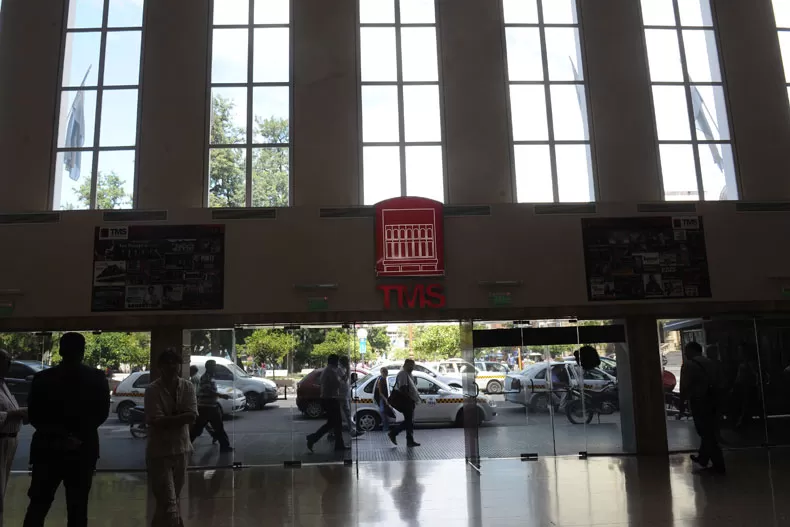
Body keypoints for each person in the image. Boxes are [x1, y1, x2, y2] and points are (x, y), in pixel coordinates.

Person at [23, 332, 110, 527]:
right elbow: (101, 413)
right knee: (78, 509)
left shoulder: (42, 378)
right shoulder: (96, 378)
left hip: (47, 449)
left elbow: (35, 415)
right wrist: (77, 436)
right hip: (82, 450)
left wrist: (59, 436)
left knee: (38, 506)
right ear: (83, 351)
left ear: (60, 351)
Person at [145, 348, 198, 527]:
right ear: (159, 366)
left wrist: (169, 420)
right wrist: (180, 417)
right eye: (166, 362)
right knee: (169, 502)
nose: (171, 366)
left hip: (182, 449)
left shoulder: (187, 386)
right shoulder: (152, 390)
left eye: (174, 362)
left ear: (179, 365)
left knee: (169, 501)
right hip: (159, 452)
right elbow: (156, 420)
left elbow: (192, 416)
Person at [680, 341, 725, 474]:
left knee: (706, 433)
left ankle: (718, 466)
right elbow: (722, 383)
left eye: (686, 350)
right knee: (710, 431)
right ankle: (703, 458)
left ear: (692, 351)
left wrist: (682, 404)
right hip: (713, 402)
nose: (685, 353)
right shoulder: (712, 363)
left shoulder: (689, 365)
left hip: (699, 402)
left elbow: (685, 387)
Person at [0, 349, 26, 527]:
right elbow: (7, 412)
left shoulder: (3, 384)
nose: (9, 365)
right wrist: (15, 413)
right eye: (6, 361)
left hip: (9, 441)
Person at [190, 360, 233, 452]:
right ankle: (187, 444)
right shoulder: (206, 377)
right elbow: (208, 391)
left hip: (210, 406)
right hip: (206, 407)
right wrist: (222, 396)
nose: (215, 367)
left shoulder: (210, 377)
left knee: (215, 427)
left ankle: (225, 446)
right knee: (199, 428)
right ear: (208, 367)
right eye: (213, 366)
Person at [306, 354, 346, 452]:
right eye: (337, 362)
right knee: (336, 423)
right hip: (331, 399)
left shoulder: (327, 371)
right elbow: (337, 385)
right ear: (334, 362)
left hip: (328, 399)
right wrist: (343, 377)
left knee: (333, 423)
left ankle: (337, 444)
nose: (338, 364)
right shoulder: (330, 371)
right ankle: (314, 438)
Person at [388, 359, 421, 447]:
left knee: (409, 421)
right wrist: (410, 399)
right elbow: (403, 388)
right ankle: (393, 433)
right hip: (405, 401)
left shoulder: (409, 374)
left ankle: (409, 440)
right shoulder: (403, 374)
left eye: (413, 365)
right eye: (410, 365)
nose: (412, 367)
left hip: (410, 400)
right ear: (405, 365)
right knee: (408, 421)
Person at [338, 357, 362, 439]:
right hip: (341, 395)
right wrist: (348, 369)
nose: (349, 363)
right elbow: (344, 379)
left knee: (346, 414)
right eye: (348, 362)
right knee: (342, 414)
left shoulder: (343, 369)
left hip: (345, 395)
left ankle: (352, 430)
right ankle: (335, 432)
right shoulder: (340, 369)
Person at [374, 367, 393, 433]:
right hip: (383, 398)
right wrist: (385, 400)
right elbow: (380, 393)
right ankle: (386, 426)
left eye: (386, 372)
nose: (385, 373)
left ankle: (387, 426)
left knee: (388, 411)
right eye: (384, 372)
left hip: (388, 397)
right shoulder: (380, 380)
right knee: (382, 411)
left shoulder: (387, 379)